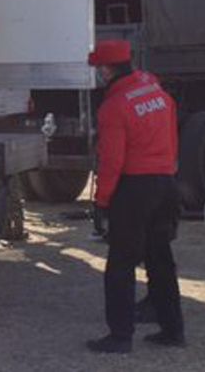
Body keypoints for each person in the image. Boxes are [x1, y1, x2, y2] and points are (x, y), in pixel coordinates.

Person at [85, 39, 185, 353]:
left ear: (106, 69)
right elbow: (172, 135)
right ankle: (173, 330)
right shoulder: (156, 91)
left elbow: (112, 162)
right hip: (166, 183)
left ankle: (120, 336)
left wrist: (102, 203)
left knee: (121, 264)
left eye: (98, 68)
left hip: (134, 188)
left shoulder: (114, 107)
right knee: (160, 259)